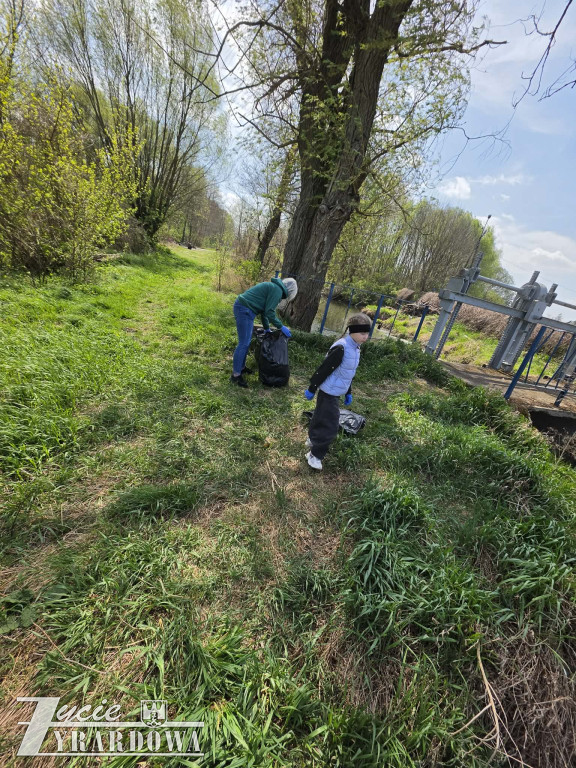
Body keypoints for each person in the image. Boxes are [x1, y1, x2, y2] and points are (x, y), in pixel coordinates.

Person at [303, 313, 372, 470]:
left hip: (336, 391)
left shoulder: (355, 348)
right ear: (352, 331)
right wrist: (312, 388)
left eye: (367, 333)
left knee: (320, 416)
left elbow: (347, 373)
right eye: (362, 333)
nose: (366, 337)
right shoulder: (342, 348)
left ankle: (313, 439)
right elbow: (324, 369)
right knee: (331, 425)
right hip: (329, 392)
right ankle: (315, 455)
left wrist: (348, 391)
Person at [231, 277, 298, 388]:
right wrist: (281, 327)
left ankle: (241, 368)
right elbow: (270, 312)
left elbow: (264, 312)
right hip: (244, 309)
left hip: (245, 309)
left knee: (246, 342)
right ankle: (236, 375)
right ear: (290, 291)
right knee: (243, 343)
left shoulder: (274, 288)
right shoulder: (277, 290)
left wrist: (267, 328)